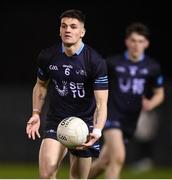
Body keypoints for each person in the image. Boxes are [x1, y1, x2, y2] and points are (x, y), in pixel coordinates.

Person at [26, 9, 108, 179]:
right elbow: (41, 85)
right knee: (46, 174)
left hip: (84, 125)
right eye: (64, 26)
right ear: (59, 30)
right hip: (57, 120)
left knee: (78, 178)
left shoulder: (95, 61)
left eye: (73, 26)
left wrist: (98, 130)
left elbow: (101, 103)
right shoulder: (48, 56)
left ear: (82, 32)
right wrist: (36, 113)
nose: (67, 30)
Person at [88, 22, 164, 178]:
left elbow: (159, 93)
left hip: (131, 119)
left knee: (104, 161)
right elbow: (95, 82)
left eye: (141, 41)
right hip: (112, 115)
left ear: (147, 43)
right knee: (119, 157)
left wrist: (151, 103)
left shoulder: (152, 67)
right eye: (133, 40)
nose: (137, 45)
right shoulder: (113, 63)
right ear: (127, 42)